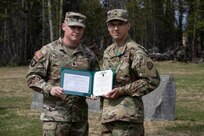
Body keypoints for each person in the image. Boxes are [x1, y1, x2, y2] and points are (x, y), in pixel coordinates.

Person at [26, 11, 99, 136]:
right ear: (64, 26)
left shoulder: (89, 55)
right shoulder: (48, 51)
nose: (76, 30)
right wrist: (50, 88)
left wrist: (95, 91)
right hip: (55, 118)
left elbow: (96, 80)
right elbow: (32, 77)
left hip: (79, 120)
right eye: (72, 27)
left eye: (80, 28)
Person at [100, 9, 160, 136]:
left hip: (128, 118)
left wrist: (122, 90)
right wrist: (96, 91)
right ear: (107, 27)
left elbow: (152, 80)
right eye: (112, 24)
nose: (115, 28)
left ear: (128, 25)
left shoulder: (136, 51)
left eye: (120, 24)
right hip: (107, 116)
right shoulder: (108, 52)